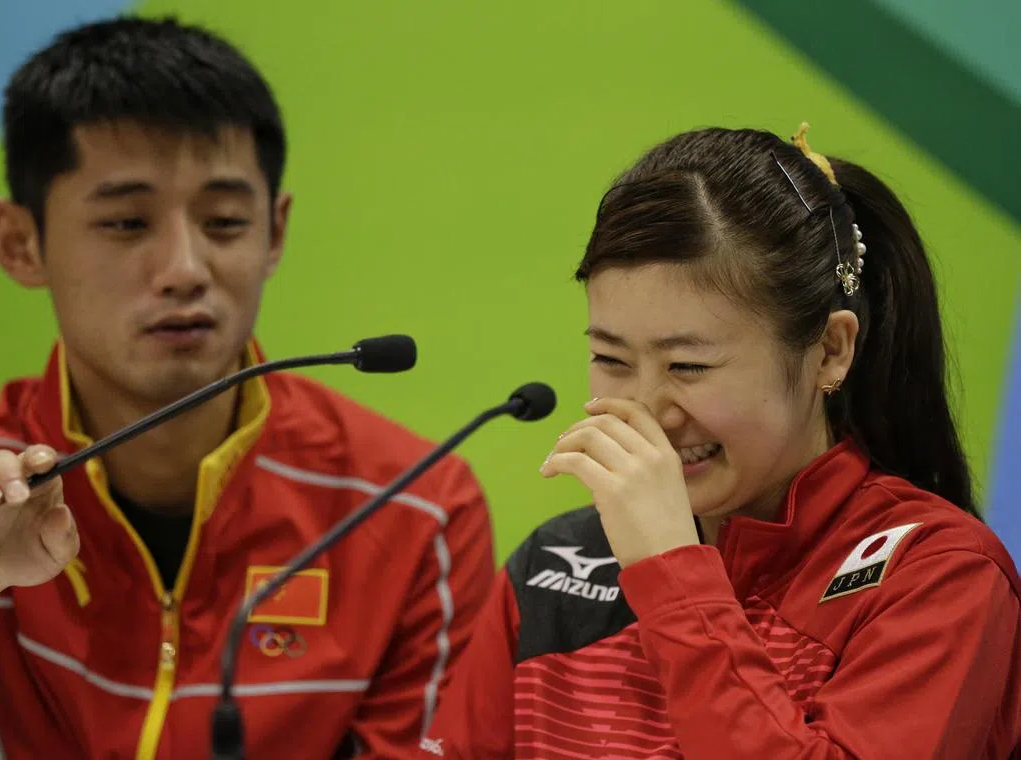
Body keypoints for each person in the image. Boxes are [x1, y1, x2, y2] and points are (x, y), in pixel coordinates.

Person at [0, 16, 496, 760]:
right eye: (128, 221)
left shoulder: (417, 509)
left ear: (274, 231)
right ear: (20, 242)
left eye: (225, 221)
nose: (185, 268)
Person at [421, 124, 1021, 759]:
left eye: (689, 367)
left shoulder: (939, 575)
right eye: (611, 358)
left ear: (829, 350)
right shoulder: (553, 566)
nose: (646, 411)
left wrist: (671, 576)